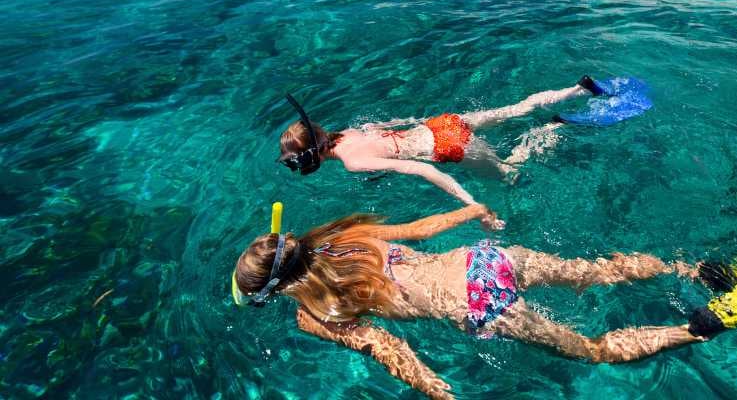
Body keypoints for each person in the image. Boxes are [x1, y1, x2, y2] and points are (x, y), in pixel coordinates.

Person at [232, 203, 707, 400]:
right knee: (596, 272)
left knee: (595, 350)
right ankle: (686, 268)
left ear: (276, 290)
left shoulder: (313, 312)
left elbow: (384, 346)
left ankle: (697, 329)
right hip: (483, 258)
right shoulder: (346, 235)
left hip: (480, 304)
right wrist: (474, 210)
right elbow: (419, 229)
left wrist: (437, 392)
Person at [277, 76, 607, 226]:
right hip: (440, 124)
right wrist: (420, 121)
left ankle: (555, 127)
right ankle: (577, 89)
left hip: (448, 146)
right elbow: (394, 123)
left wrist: (472, 205)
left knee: (510, 173)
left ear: (312, 158)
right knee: (514, 109)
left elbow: (424, 170)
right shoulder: (347, 133)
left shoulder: (352, 162)